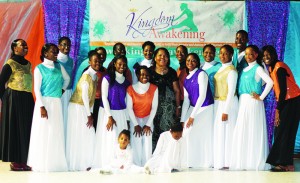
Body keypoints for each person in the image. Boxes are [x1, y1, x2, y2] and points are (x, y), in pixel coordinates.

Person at [230, 45, 273, 170]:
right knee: (244, 129)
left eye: (251, 54)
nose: (248, 57)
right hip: (243, 102)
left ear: (256, 55)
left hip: (253, 103)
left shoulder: (258, 68)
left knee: (253, 129)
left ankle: (254, 161)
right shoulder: (244, 70)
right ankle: (245, 161)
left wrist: (261, 96)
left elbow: (270, 82)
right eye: (246, 54)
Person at [27, 43, 69, 172]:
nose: (56, 53)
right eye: (53, 51)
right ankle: (41, 162)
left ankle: (54, 162)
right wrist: (41, 106)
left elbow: (67, 79)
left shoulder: (59, 66)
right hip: (44, 103)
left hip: (56, 103)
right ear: (45, 54)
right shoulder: (39, 68)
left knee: (55, 131)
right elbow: (36, 90)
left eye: (57, 51)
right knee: (44, 131)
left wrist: (61, 91)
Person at [263, 45, 300, 172]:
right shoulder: (271, 68)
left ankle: (283, 163)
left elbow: (283, 91)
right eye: (263, 55)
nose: (266, 57)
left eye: (268, 54)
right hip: (287, 101)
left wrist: (278, 110)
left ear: (274, 55)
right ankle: (286, 163)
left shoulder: (279, 67)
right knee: (284, 132)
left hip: (292, 101)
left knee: (283, 132)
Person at [0, 39, 34, 171]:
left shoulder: (28, 64)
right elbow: (1, 82)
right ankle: (15, 161)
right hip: (13, 99)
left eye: (26, 44)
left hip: (26, 98)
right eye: (22, 45)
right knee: (15, 129)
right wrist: (5, 99)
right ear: (15, 49)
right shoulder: (10, 64)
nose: (26, 46)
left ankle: (24, 159)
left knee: (26, 128)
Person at [93, 55, 131, 169]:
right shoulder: (107, 78)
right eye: (119, 64)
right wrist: (109, 116)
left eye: (124, 64)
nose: (122, 66)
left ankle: (121, 164)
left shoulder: (127, 82)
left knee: (120, 139)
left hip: (121, 113)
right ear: (114, 64)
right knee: (110, 138)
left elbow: (126, 102)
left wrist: (127, 119)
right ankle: (108, 163)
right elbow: (104, 97)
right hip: (108, 112)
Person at [66, 50, 100, 171]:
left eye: (99, 60)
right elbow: (85, 96)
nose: (98, 62)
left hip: (84, 107)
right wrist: (89, 114)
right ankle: (79, 163)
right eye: (95, 60)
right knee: (81, 134)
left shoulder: (94, 76)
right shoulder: (86, 75)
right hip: (77, 107)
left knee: (86, 134)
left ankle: (87, 162)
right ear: (90, 62)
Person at [180, 53, 214, 168]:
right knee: (187, 133)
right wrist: (183, 119)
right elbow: (186, 101)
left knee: (198, 134)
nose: (190, 62)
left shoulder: (201, 74)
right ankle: (191, 161)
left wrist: (192, 116)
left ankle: (204, 162)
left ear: (198, 63)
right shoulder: (186, 79)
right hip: (195, 108)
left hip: (206, 107)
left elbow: (202, 95)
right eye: (188, 60)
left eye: (193, 60)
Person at [149, 47, 181, 151]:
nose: (163, 57)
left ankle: (167, 158)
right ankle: (154, 158)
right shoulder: (149, 72)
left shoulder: (172, 72)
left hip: (169, 109)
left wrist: (178, 107)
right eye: (160, 55)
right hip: (153, 108)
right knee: (154, 132)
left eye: (165, 56)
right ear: (155, 58)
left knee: (168, 133)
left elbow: (176, 90)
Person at [127, 66, 158, 166]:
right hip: (134, 119)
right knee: (136, 141)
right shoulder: (131, 89)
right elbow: (129, 108)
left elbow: (154, 107)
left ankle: (147, 164)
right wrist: (136, 125)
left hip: (148, 118)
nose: (145, 76)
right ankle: (136, 164)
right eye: (142, 74)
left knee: (147, 142)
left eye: (147, 75)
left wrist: (148, 124)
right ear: (137, 75)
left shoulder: (154, 88)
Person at [213, 45, 238, 170]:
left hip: (228, 104)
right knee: (220, 133)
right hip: (219, 102)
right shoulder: (221, 68)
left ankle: (228, 161)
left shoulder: (232, 71)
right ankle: (220, 160)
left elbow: (231, 91)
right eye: (221, 53)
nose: (222, 56)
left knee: (228, 133)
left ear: (231, 55)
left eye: (226, 54)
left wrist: (226, 110)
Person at [57, 36, 74, 137]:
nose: (66, 47)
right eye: (64, 44)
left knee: (67, 119)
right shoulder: (55, 60)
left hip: (68, 93)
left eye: (68, 45)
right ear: (59, 46)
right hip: (58, 92)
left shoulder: (71, 61)